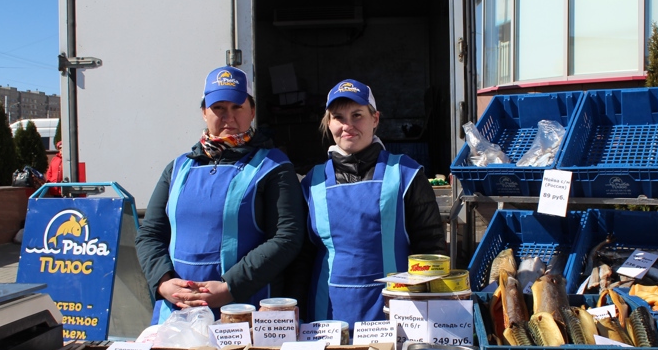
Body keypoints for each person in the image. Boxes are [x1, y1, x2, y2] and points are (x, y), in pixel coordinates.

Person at [136, 66, 306, 324]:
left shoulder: (274, 166)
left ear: (252, 111)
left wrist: (230, 287)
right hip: (177, 314)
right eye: (218, 108)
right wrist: (163, 282)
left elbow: (287, 237)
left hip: (245, 313)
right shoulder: (178, 168)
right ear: (204, 112)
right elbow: (150, 234)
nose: (229, 117)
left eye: (237, 107)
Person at [299, 79, 446, 326]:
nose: (348, 126)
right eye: (338, 117)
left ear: (375, 119)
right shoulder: (312, 183)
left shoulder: (406, 174)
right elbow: (303, 258)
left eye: (357, 115)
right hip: (327, 316)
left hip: (395, 312)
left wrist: (433, 311)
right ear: (328, 123)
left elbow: (430, 246)